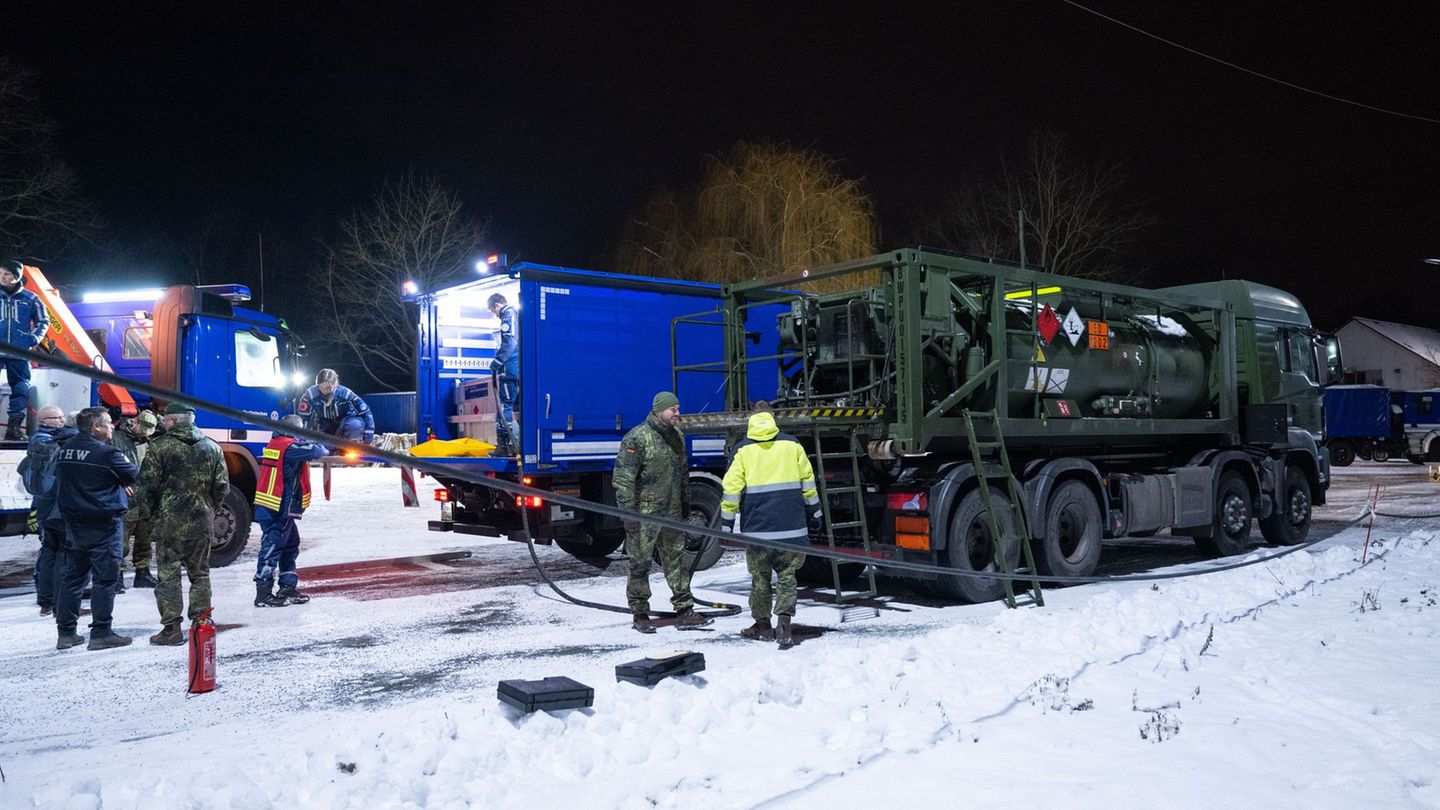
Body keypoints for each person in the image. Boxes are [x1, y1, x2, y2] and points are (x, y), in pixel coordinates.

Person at [719, 408, 821, 650]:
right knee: (788, 576)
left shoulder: (743, 450)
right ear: (773, 422)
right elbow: (808, 481)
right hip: (791, 527)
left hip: (758, 530)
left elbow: (731, 489)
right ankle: (784, 624)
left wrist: (726, 524)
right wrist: (815, 512)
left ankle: (762, 625)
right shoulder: (793, 446)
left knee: (760, 578)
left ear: (750, 425)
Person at [612, 391, 711, 633]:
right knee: (640, 563)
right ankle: (640, 614)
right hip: (644, 515)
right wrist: (628, 513)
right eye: (673, 409)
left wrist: (686, 501)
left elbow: (683, 472)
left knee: (676, 560)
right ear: (659, 410)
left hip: (672, 512)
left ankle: (685, 609)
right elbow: (623, 479)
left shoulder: (677, 435)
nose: (677, 413)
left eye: (678, 408)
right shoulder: (637, 438)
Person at [134, 402, 229, 646]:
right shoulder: (212, 447)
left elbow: (145, 488)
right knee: (200, 574)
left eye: (165, 420)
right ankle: (202, 624)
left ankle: (171, 630)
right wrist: (210, 508)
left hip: (169, 523)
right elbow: (222, 488)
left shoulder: (159, 447)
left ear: (174, 421)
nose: (163, 424)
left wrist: (151, 516)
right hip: (201, 522)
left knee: (168, 576)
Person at [54, 406, 139, 651]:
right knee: (105, 580)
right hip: (104, 526)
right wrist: (121, 482)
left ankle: (66, 633)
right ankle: (101, 633)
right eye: (108, 423)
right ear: (96, 427)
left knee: (72, 579)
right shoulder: (107, 454)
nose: (112, 427)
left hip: (74, 525)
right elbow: (134, 475)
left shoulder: (65, 450)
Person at [252, 414, 328, 607]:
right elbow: (317, 450)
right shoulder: (289, 446)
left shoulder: (277, 443)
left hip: (274, 505)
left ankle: (287, 587)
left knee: (291, 544)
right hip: (276, 508)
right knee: (272, 547)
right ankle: (263, 593)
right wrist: (321, 442)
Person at [25, 405, 78, 616]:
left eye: (62, 417)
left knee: (50, 553)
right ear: (44, 421)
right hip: (54, 507)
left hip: (48, 506)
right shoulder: (42, 441)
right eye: (56, 418)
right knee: (60, 555)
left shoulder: (45, 439)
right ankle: (58, 603)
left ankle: (47, 601)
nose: (61, 421)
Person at [0, 260, 50, 440]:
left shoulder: (31, 298)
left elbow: (43, 321)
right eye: (0, 274)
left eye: (6, 274)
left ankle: (14, 428)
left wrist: (33, 338)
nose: (2, 277)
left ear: (16, 276)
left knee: (21, 388)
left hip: (20, 351)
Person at [113, 410, 159, 588]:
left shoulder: (148, 442)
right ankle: (117, 576)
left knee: (144, 539)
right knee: (120, 541)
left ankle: (142, 572)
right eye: (144, 429)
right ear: (135, 423)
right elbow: (108, 466)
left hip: (145, 499)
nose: (145, 434)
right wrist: (121, 483)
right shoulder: (116, 439)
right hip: (126, 498)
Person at [298, 368, 374, 444]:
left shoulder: (345, 394)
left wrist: (368, 435)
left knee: (355, 425)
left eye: (328, 388)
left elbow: (365, 412)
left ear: (335, 384)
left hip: (347, 422)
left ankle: (349, 445)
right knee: (323, 447)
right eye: (321, 387)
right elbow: (303, 417)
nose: (324, 390)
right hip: (326, 425)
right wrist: (300, 438)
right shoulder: (310, 395)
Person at [487, 293, 520, 456]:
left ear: (497, 305)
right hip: (516, 369)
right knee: (513, 406)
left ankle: (504, 446)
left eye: (493, 311)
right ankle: (514, 444)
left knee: (504, 406)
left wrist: (497, 362)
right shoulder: (516, 314)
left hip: (510, 370)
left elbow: (510, 341)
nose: (495, 314)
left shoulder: (508, 314)